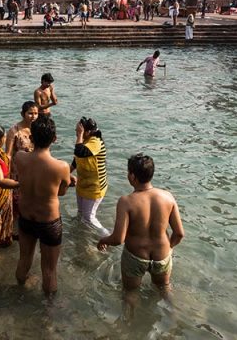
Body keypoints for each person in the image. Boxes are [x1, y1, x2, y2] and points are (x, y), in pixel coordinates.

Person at [97, 154, 184, 302]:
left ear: (132, 176)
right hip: (161, 256)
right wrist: (169, 249)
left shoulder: (126, 201)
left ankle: (129, 323)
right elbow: (179, 233)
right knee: (164, 290)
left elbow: (118, 239)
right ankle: (173, 318)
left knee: (130, 294)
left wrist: (103, 240)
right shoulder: (167, 197)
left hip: (135, 256)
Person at [14, 115, 71, 295]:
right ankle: (48, 313)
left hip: (26, 217)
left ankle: (19, 293)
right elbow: (60, 193)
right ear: (54, 139)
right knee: (49, 270)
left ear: (31, 138)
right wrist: (68, 181)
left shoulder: (20, 157)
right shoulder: (61, 167)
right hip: (49, 222)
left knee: (24, 259)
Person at [70, 117, 109, 236]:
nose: (76, 133)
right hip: (83, 185)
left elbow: (79, 152)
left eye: (78, 131)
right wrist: (67, 173)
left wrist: (79, 135)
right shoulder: (85, 141)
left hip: (95, 187)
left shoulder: (95, 142)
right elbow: (76, 160)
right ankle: (82, 235)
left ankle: (107, 236)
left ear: (86, 132)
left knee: (89, 217)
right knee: (81, 214)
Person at [5, 101, 39, 231]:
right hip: (17, 171)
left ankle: (29, 227)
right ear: (22, 114)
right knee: (17, 202)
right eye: (30, 113)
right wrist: (6, 174)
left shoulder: (38, 129)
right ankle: (14, 229)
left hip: (34, 170)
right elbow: (8, 155)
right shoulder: (14, 131)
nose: (34, 116)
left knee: (32, 200)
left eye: (36, 113)